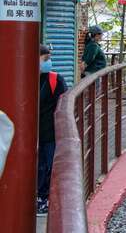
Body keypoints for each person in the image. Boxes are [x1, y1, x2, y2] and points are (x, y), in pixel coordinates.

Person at [38, 45, 68, 216]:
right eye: (46, 59)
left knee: (50, 166)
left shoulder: (56, 79)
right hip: (31, 134)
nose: (50, 62)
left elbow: (64, 105)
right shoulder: (21, 78)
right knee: (39, 167)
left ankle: (47, 199)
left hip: (50, 132)